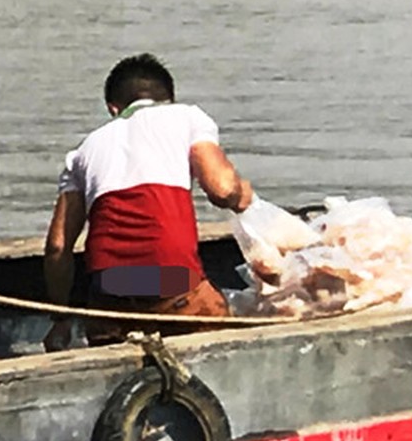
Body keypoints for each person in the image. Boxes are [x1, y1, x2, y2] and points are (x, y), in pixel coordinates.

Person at [43, 53, 256, 352]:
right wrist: (243, 195)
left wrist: (60, 319)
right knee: (224, 325)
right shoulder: (187, 117)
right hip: (172, 283)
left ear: (113, 108)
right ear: (169, 99)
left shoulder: (82, 151)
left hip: (110, 295)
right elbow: (222, 190)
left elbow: (56, 248)